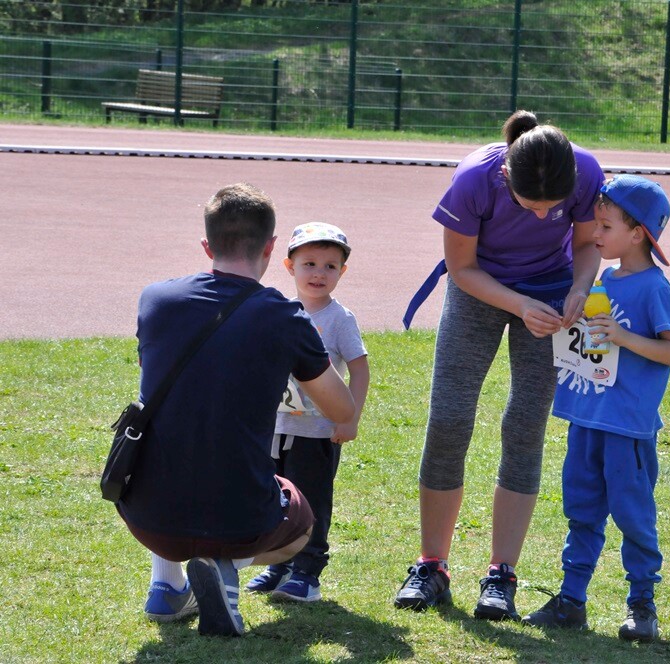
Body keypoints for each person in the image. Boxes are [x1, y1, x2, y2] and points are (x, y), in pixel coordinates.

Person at [394, 110, 605, 621]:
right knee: (449, 418)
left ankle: (501, 575)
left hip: (554, 295)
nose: (539, 216)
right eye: (528, 205)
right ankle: (431, 566)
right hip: (479, 291)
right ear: (506, 176)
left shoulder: (586, 172)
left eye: (550, 208)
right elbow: (461, 268)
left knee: (526, 423)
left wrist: (579, 289)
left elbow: (586, 245)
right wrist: (518, 305)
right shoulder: (473, 179)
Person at [119, 183, 355, 637]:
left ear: (207, 246)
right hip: (240, 517)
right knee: (302, 520)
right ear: (271, 248)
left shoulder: (154, 299)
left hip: (145, 514)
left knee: (176, 445)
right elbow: (340, 409)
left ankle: (165, 588)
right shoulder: (285, 316)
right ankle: (225, 566)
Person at [521, 175, 670, 643]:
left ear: (638, 234)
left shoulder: (654, 287)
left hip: (628, 428)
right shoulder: (604, 279)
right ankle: (571, 601)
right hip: (586, 420)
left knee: (633, 516)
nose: (595, 232)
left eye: (606, 225)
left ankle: (642, 606)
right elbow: (592, 344)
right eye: (596, 222)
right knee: (582, 511)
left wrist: (625, 337)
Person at [245, 222, 370, 602]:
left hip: (318, 432)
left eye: (330, 266)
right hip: (275, 428)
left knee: (311, 499)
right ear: (288, 266)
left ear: (342, 273)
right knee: (274, 494)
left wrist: (350, 417)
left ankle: (307, 572)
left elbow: (360, 368)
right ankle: (278, 563)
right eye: (310, 263)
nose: (319, 273)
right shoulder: (277, 311)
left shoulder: (339, 319)